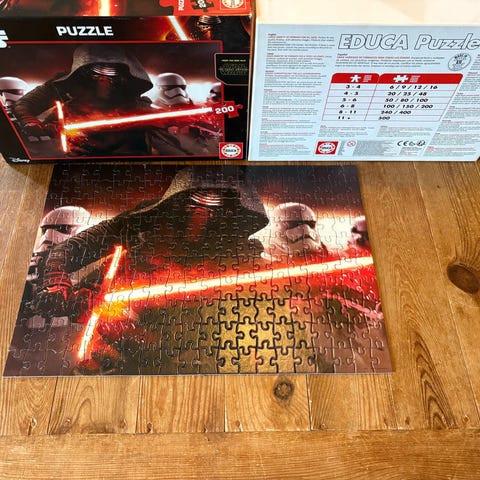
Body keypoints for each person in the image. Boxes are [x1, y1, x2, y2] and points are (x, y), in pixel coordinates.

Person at [12, 44, 190, 156]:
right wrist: (31, 122)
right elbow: (25, 104)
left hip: (125, 154)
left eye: (111, 72)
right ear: (83, 70)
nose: (104, 79)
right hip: (75, 150)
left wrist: (178, 119)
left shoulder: (130, 92)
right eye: (98, 71)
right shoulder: (65, 84)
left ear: (124, 71)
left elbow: (151, 117)